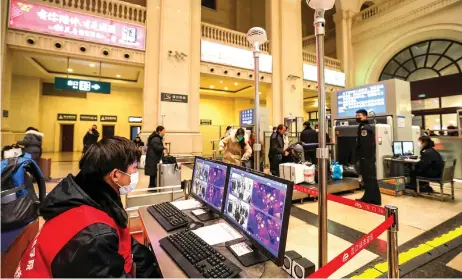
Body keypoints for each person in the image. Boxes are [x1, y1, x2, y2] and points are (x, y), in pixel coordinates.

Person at [15, 137, 160, 278]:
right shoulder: (94, 235)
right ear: (115, 175)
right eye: (134, 168)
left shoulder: (83, 197)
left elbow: (123, 241)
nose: (136, 174)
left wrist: (152, 262)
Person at [355, 109, 381, 205]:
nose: (357, 117)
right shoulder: (363, 126)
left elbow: (365, 145)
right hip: (367, 158)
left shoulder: (364, 128)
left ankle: (373, 199)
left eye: (359, 115)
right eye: (356, 115)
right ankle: (370, 197)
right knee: (368, 178)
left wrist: (363, 157)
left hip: (366, 158)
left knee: (369, 178)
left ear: (365, 116)